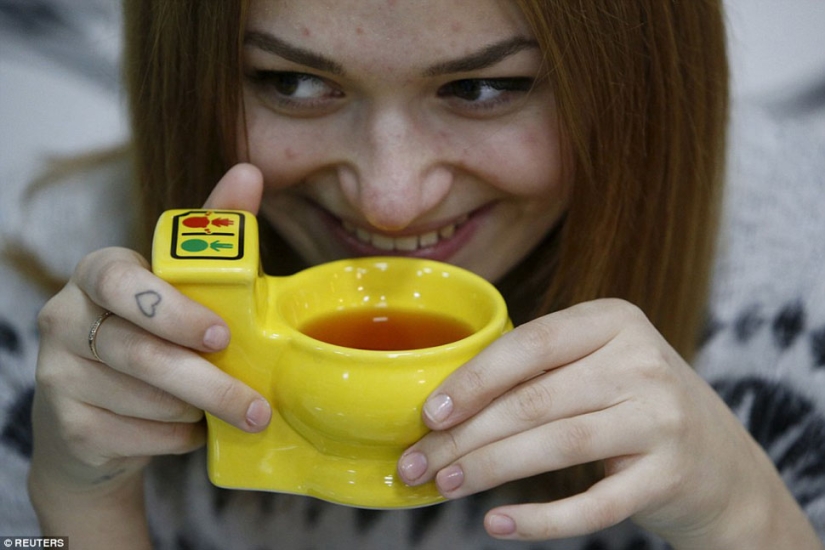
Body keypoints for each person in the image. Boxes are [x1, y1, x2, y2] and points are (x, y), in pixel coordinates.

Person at [0, 0, 823, 548]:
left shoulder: (800, 271)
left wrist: (744, 517)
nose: (390, 203)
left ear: (639, 82)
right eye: (293, 82)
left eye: (485, 86)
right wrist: (79, 506)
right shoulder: (68, 298)